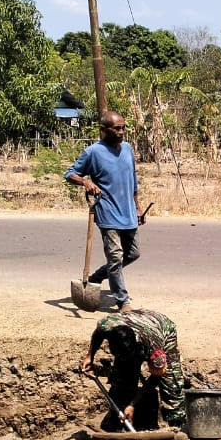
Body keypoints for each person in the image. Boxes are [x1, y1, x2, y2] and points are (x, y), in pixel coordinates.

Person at [65, 111, 146, 312]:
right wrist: (85, 181)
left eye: (123, 128)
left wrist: (137, 206)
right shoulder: (93, 152)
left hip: (128, 212)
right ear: (103, 129)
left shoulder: (127, 148)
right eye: (116, 128)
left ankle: (97, 278)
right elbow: (70, 174)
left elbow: (133, 180)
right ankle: (122, 301)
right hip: (107, 212)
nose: (121, 132)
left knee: (133, 254)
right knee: (115, 257)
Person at [80, 308, 184, 431]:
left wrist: (133, 404)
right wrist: (89, 356)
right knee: (122, 375)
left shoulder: (154, 346)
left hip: (161, 326)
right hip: (136, 318)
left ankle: (175, 423)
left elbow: (157, 376)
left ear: (134, 346)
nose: (121, 358)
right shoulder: (107, 325)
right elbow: (98, 333)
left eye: (125, 354)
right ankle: (119, 417)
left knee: (171, 382)